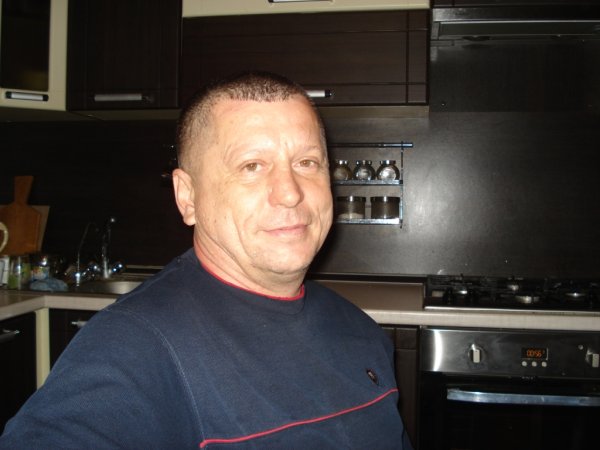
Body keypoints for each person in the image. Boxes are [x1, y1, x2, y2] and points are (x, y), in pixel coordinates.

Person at [0, 72, 413, 449]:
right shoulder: (132, 348)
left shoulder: (361, 331)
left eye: (307, 163)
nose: (290, 192)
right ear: (188, 197)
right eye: (252, 166)